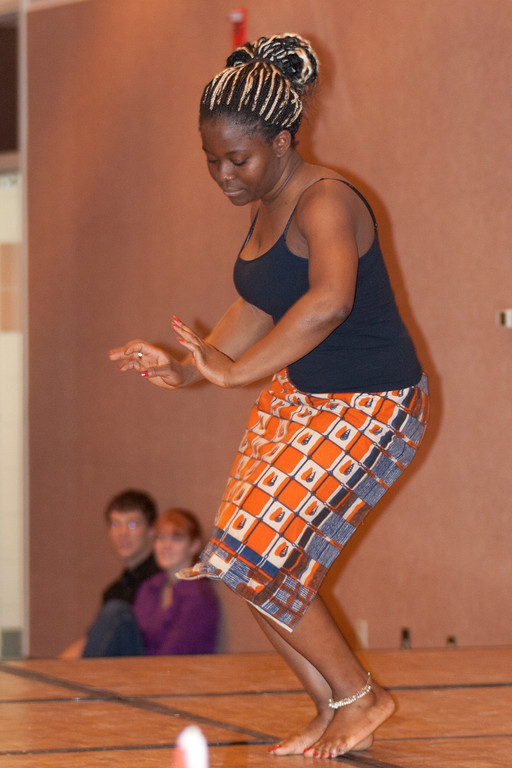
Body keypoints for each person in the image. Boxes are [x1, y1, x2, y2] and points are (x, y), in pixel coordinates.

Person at [109, 33, 429, 759]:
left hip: (374, 402)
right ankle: (331, 707)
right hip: (302, 397)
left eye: (237, 159)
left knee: (259, 556)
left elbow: (328, 303)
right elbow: (254, 309)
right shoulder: (264, 202)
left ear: (283, 139)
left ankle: (361, 697)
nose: (223, 174)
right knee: (236, 559)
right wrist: (189, 365)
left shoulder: (327, 201)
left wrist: (237, 372)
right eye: (211, 160)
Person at [59, 489, 160, 659]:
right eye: (115, 524)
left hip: (150, 669)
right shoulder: (116, 588)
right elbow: (92, 639)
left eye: (132, 524)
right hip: (115, 669)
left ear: (151, 530)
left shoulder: (160, 580)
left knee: (115, 611)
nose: (122, 533)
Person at [133, 508, 220, 655]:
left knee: (116, 612)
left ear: (194, 545)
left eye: (176, 539)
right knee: (116, 615)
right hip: (143, 667)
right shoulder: (150, 587)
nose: (166, 546)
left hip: (179, 672)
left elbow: (175, 653)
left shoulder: (198, 595)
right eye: (160, 538)